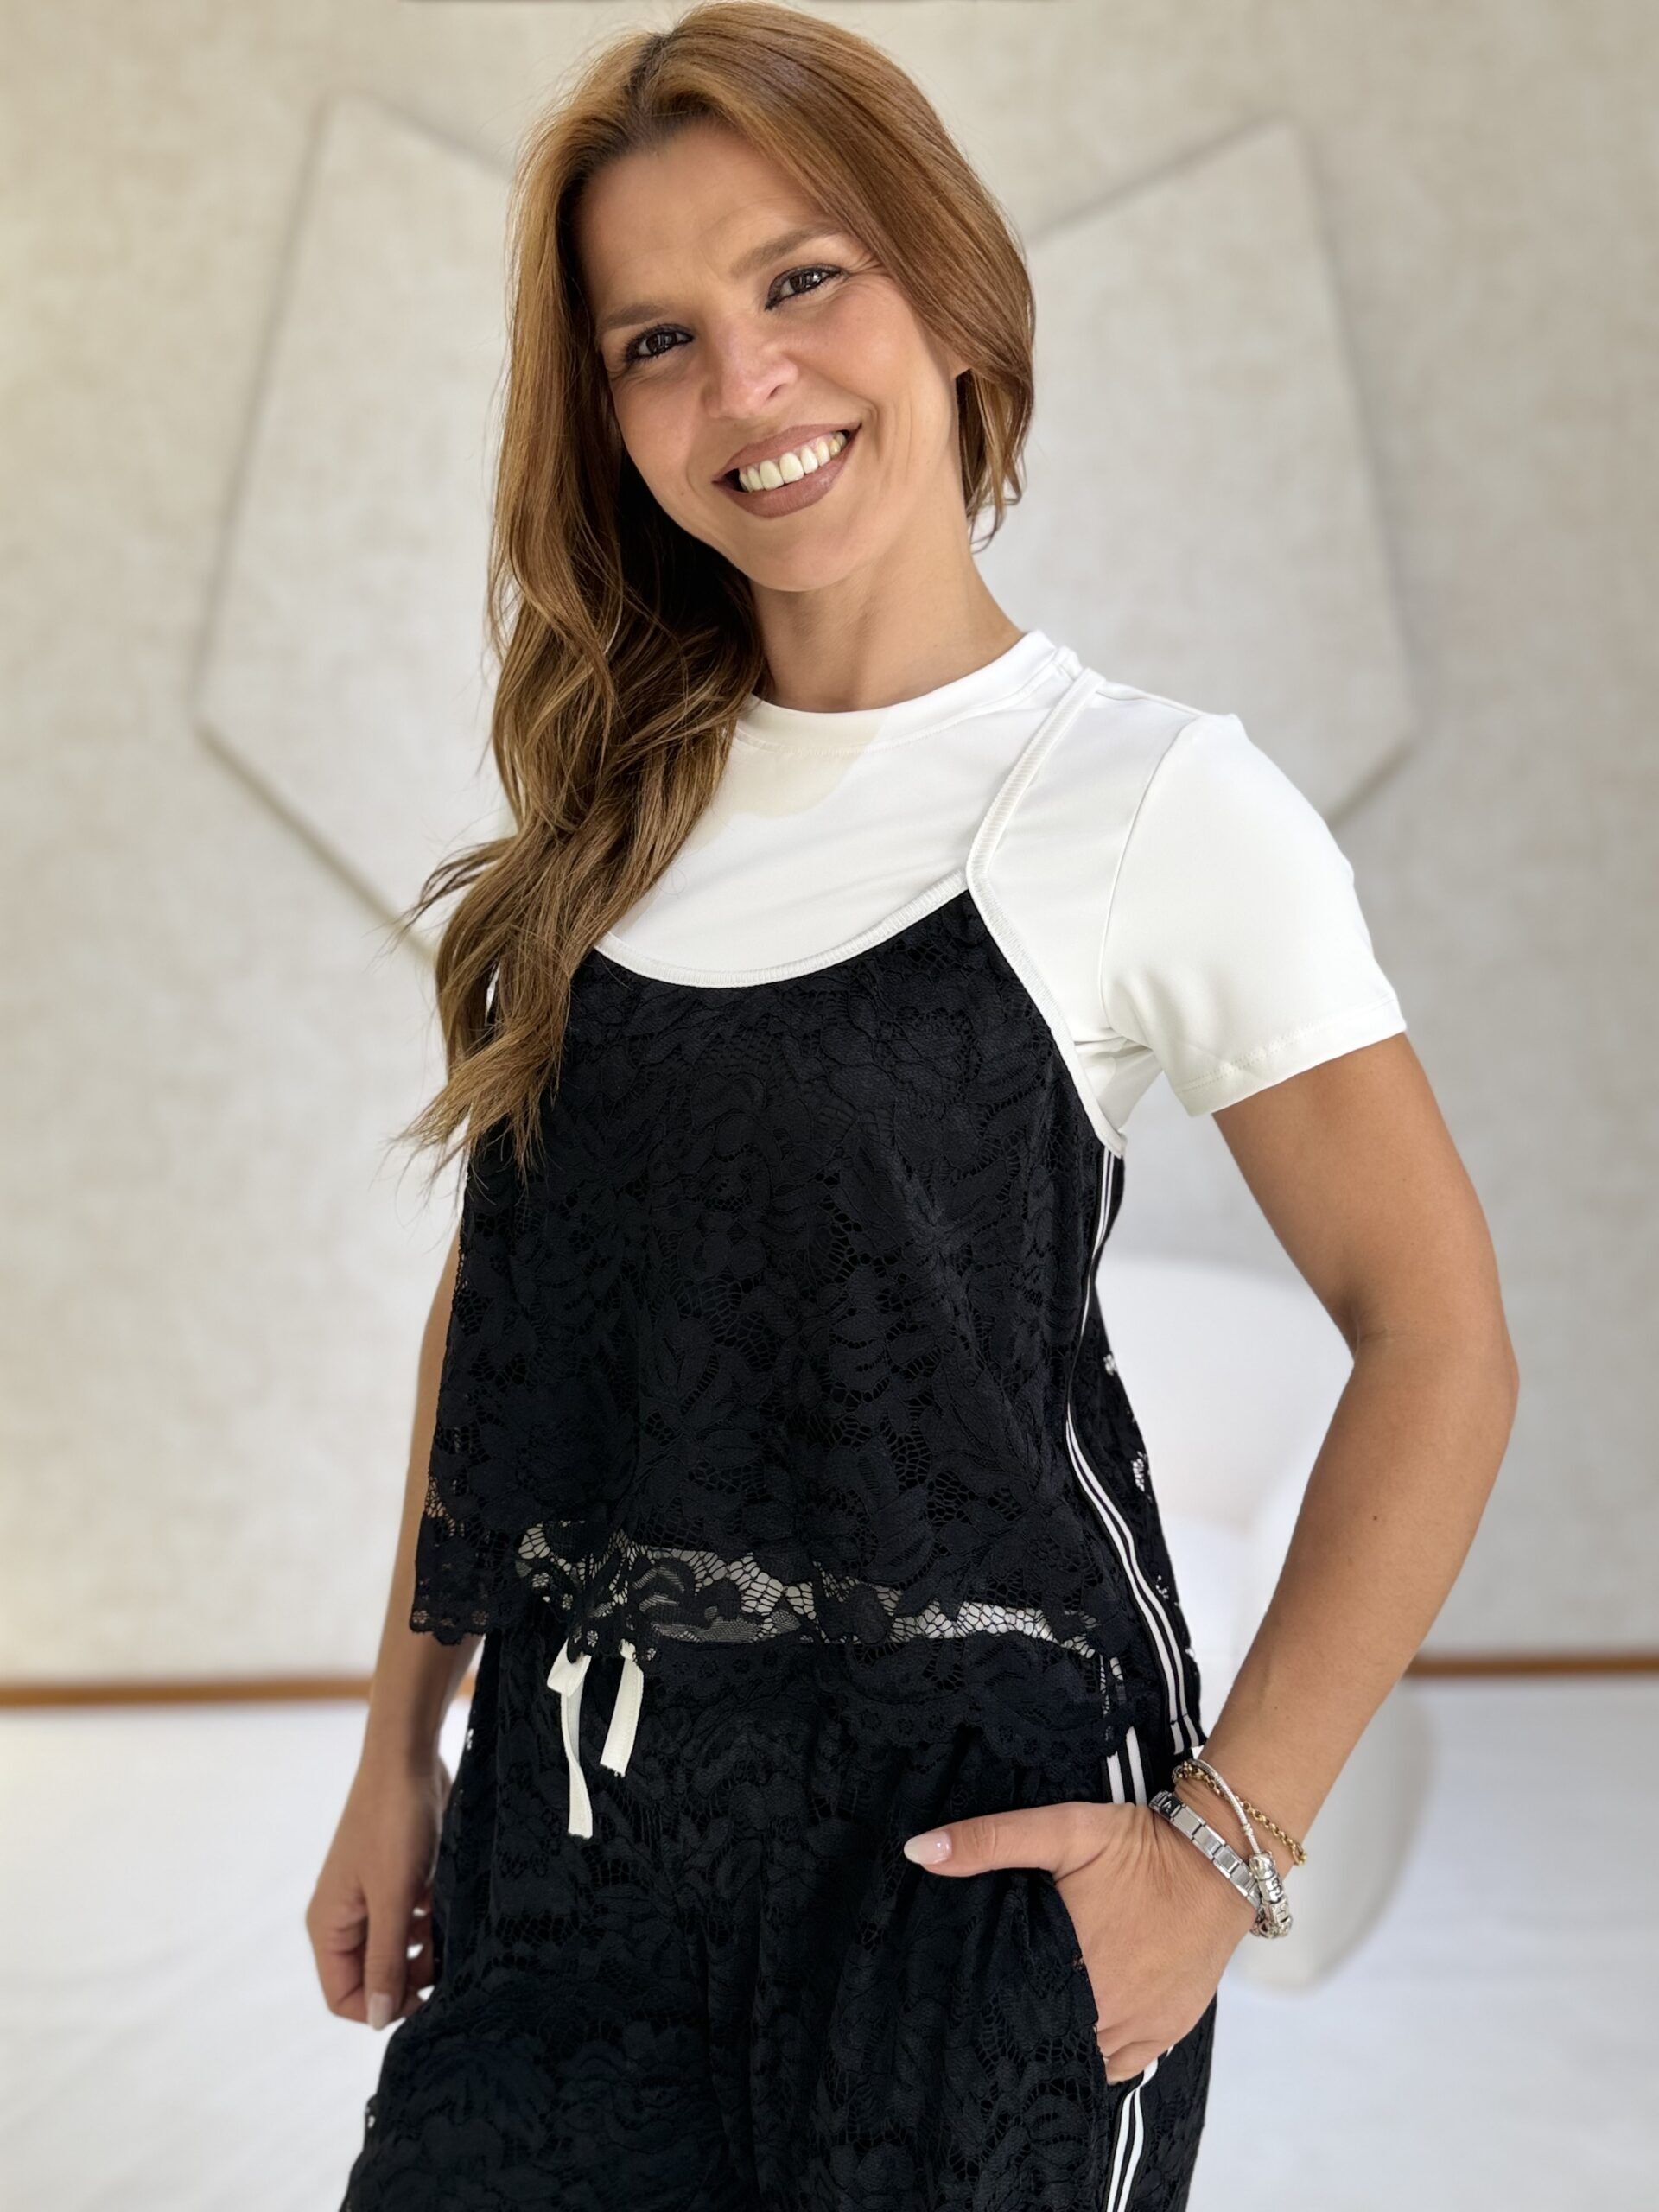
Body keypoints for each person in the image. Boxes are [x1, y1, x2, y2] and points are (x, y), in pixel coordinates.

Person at [308, 7, 1519, 2207]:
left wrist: (1225, 1849)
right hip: (571, 1850)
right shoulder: (609, 821)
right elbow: (507, 1312)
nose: (747, 383)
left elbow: (1438, 1336)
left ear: (949, 294)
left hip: (975, 1878)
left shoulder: (1150, 801)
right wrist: (400, 1743)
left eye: (802, 280)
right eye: (656, 339)